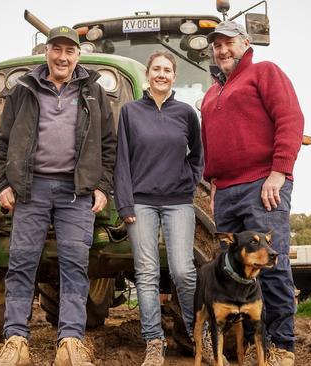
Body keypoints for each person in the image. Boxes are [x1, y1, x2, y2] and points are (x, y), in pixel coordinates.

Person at [0, 25, 116, 366]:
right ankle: (16, 342)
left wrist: (103, 186)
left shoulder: (93, 91)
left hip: (76, 192)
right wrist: (3, 182)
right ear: (46, 52)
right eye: (56, 50)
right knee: (21, 263)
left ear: (78, 55)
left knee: (75, 265)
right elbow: (2, 141)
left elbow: (108, 145)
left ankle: (70, 344)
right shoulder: (24, 90)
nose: (62, 57)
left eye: (69, 51)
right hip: (31, 188)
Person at [201, 21, 304, 366]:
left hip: (263, 185)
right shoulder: (211, 94)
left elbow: (290, 119)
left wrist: (279, 171)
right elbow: (211, 146)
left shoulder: (265, 73)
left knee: (271, 265)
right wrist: (213, 184)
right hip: (226, 192)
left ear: (245, 42)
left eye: (228, 42)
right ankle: (246, 345)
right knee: (231, 269)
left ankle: (281, 348)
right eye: (217, 45)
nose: (222, 49)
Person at [114, 51, 203, 366]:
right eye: (156, 69)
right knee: (147, 273)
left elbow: (197, 155)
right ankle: (154, 342)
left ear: (173, 76)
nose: (162, 74)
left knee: (183, 270)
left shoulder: (186, 113)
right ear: (147, 75)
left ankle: (197, 332)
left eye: (167, 70)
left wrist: (190, 181)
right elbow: (121, 160)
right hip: (141, 202)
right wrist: (124, 202)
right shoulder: (130, 112)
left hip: (178, 201)